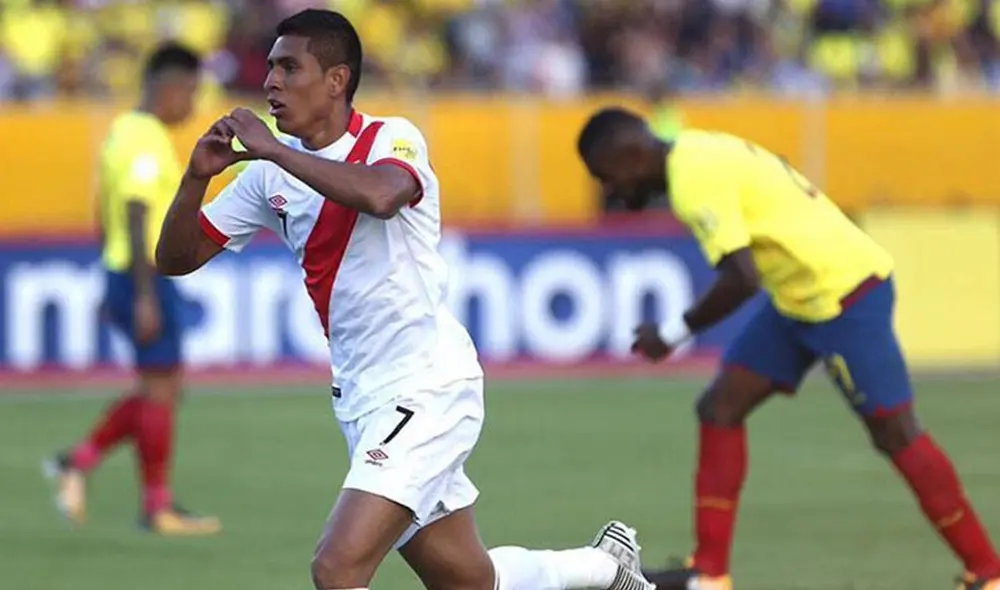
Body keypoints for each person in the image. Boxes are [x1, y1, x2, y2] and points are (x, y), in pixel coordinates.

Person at [155, 9, 656, 590]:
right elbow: (175, 258)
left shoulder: (391, 138)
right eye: (270, 67)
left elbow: (383, 194)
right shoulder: (268, 178)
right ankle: (604, 567)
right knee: (469, 581)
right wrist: (196, 179)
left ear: (337, 80)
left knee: (337, 568)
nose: (270, 81)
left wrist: (274, 151)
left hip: (427, 386)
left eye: (289, 68)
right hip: (363, 398)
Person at [576, 107, 1000, 590]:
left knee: (896, 432)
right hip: (797, 299)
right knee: (719, 407)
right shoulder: (697, 150)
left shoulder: (693, 178)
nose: (610, 190)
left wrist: (670, 334)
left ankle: (989, 573)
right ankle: (710, 574)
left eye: (606, 176)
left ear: (629, 155)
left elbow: (741, 279)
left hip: (844, 295)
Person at [44, 43, 221, 536]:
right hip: (145, 274)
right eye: (191, 93)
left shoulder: (120, 133)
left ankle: (81, 464)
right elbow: (138, 211)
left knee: (160, 389)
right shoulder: (144, 138)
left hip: (124, 270)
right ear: (171, 88)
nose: (191, 106)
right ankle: (154, 505)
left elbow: (105, 211)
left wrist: (110, 273)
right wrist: (143, 295)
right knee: (162, 390)